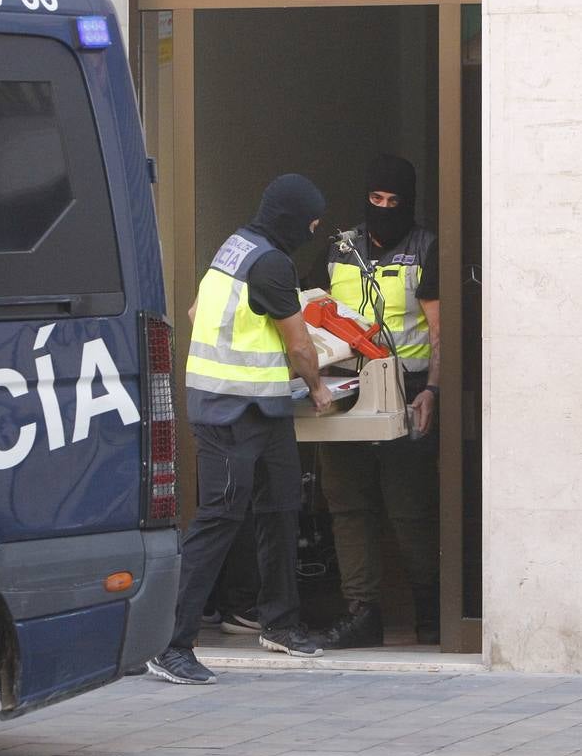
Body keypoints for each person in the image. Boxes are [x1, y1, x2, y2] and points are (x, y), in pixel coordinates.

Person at [147, 173, 333, 685]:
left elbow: (195, 310)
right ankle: (170, 644)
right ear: (293, 219)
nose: (314, 230)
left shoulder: (237, 246)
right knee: (219, 520)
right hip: (228, 413)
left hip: (261, 408)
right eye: (311, 222)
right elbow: (299, 346)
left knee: (280, 508)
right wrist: (318, 388)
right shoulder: (272, 262)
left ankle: (280, 623)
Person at [316, 153, 441, 648]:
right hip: (345, 390)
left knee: (409, 508)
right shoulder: (338, 248)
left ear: (408, 202)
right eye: (375, 200)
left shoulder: (427, 247)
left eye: (394, 201)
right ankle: (362, 611)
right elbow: (309, 313)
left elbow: (440, 329)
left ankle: (431, 610)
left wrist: (434, 389)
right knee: (347, 504)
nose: (384, 208)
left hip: (407, 390)